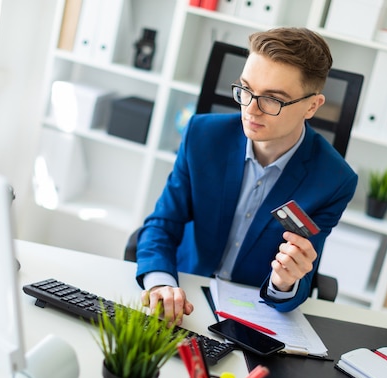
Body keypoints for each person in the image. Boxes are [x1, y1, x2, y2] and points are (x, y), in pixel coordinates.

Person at [135, 27, 357, 325]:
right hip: (185, 292)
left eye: (273, 100)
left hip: (252, 314)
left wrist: (284, 283)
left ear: (312, 106)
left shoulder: (334, 181)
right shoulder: (202, 135)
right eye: (245, 89)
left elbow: (303, 275)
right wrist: (162, 283)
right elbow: (162, 224)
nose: (250, 109)